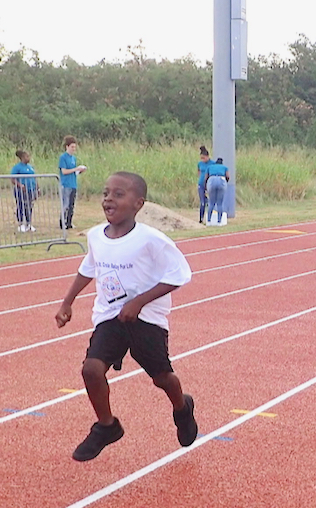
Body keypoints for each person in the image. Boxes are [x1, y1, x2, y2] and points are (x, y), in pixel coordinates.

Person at [55, 172, 197, 462]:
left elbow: (180, 274)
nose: (109, 198)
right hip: (110, 317)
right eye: (106, 193)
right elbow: (88, 268)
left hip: (146, 321)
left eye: (119, 194)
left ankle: (182, 407)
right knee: (91, 370)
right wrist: (67, 302)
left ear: (138, 204)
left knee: (162, 378)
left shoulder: (151, 240)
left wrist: (139, 302)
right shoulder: (96, 236)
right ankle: (107, 426)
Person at [58, 135, 88, 229]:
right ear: (67, 147)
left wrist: (79, 171)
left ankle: (69, 222)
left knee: (71, 205)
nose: (73, 149)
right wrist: (75, 168)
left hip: (73, 183)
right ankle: (62, 222)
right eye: (72, 147)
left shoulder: (73, 158)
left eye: (74, 147)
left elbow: (73, 172)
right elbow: (64, 171)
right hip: (66, 184)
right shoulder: (63, 157)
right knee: (65, 204)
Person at [11, 150, 38, 233]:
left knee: (29, 207)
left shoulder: (30, 167)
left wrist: (37, 188)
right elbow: (12, 179)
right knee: (21, 206)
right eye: (27, 156)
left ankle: (29, 224)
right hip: (21, 190)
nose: (28, 158)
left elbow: (35, 177)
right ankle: (21, 224)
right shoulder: (17, 167)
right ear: (22, 158)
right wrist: (20, 185)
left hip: (30, 189)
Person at [205, 157, 230, 225]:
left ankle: (209, 221)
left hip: (211, 180)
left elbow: (206, 177)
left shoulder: (210, 167)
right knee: (220, 203)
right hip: (221, 180)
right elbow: (228, 176)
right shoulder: (224, 167)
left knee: (211, 202)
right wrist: (225, 183)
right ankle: (219, 221)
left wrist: (206, 187)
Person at [196, 146, 213, 224]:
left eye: (204, 158)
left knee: (209, 201)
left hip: (209, 184)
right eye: (201, 158)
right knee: (202, 202)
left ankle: (210, 218)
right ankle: (201, 218)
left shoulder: (212, 164)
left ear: (207, 157)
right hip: (201, 184)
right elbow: (199, 172)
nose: (202, 160)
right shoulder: (200, 164)